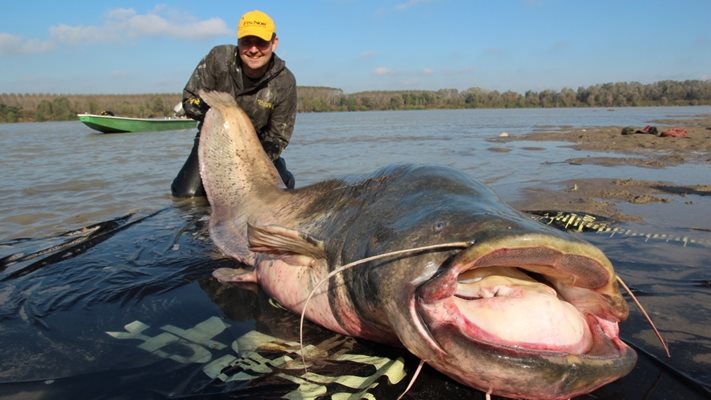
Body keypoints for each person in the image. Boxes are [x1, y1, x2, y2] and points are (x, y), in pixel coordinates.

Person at [171, 10, 296, 197]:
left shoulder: (285, 81)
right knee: (185, 195)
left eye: (261, 42)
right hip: (213, 139)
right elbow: (190, 100)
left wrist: (249, 162)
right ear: (238, 41)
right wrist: (224, 116)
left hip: (258, 147)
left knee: (281, 190)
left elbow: (278, 137)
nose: (253, 50)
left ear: (274, 43)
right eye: (247, 42)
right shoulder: (218, 58)